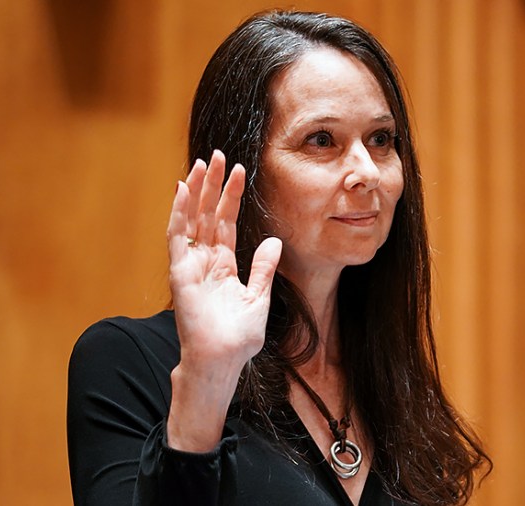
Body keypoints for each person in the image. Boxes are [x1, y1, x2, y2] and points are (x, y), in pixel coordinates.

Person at [67, 10, 490, 506]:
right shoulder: (126, 363)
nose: (366, 172)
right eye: (321, 140)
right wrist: (207, 383)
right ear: (244, 172)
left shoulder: (389, 383)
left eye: (380, 140)